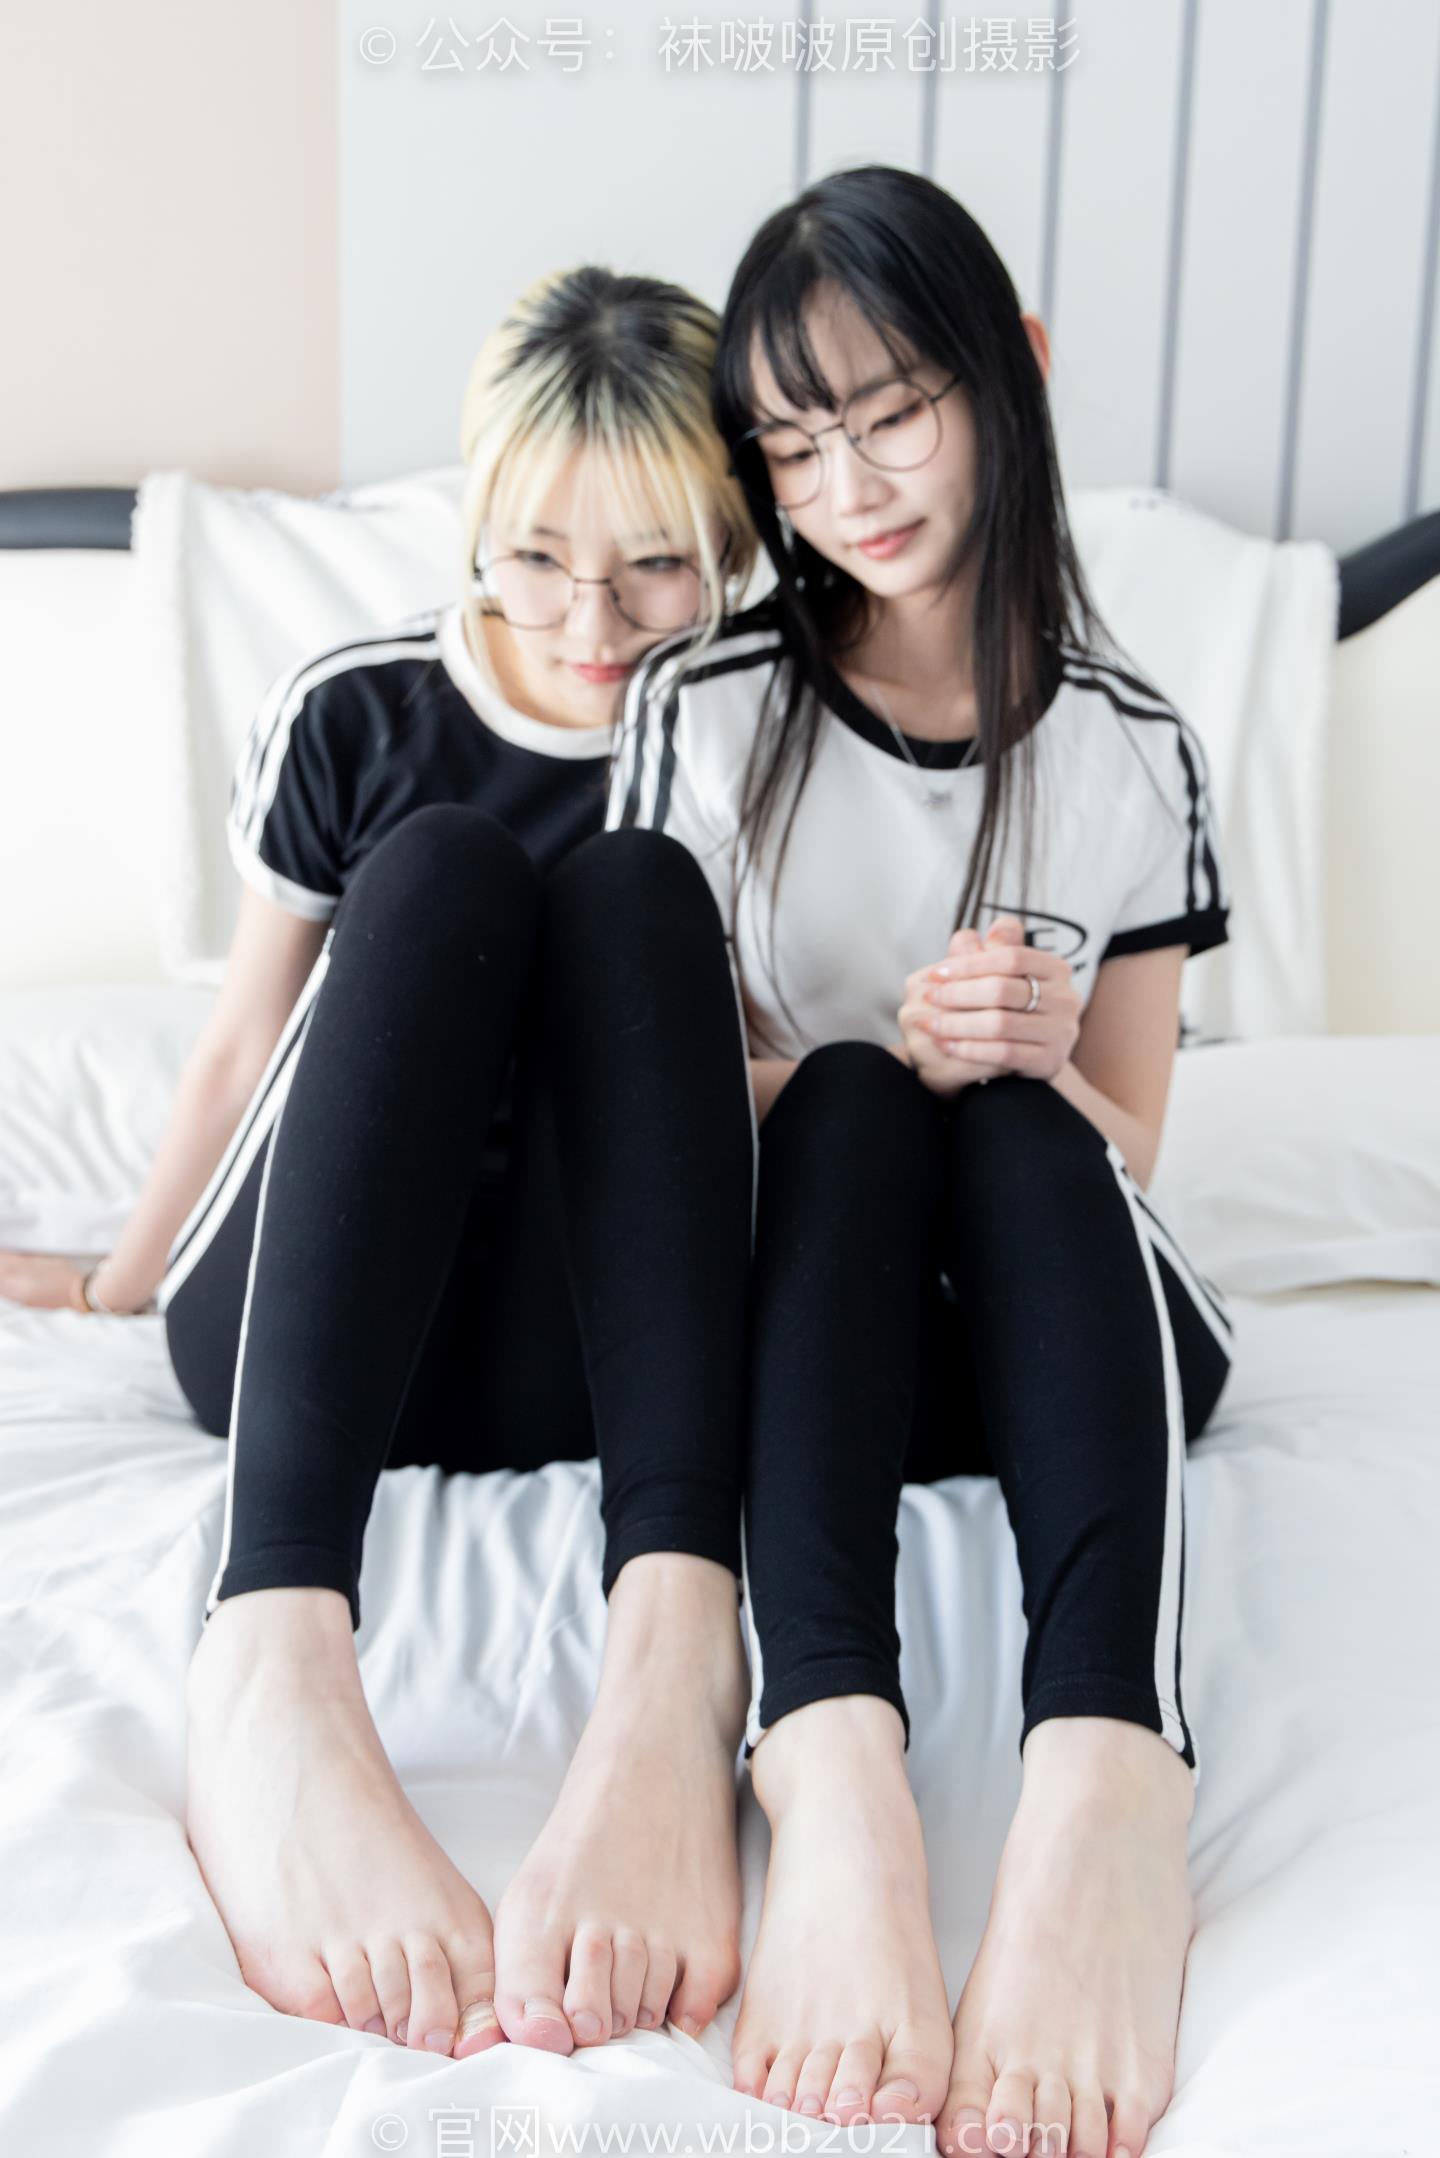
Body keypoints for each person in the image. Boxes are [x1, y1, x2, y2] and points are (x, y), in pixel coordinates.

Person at [0, 266, 766, 2065]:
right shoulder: (356, 708)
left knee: (631, 897)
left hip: (569, 1341)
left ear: (729, 546)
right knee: (439, 872)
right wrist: (116, 1276)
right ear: (476, 523)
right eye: (537, 559)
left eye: (657, 567)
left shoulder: (751, 728)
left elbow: (733, 1094)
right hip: (317, 1314)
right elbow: (239, 1047)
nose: (592, 621)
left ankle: (673, 1658)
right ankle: (275, 1645)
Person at [607, 165, 1234, 2158]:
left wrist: (1033, 1058)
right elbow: (654, 1120)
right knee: (869, 1103)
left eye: (890, 414)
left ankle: (1107, 1769)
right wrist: (867, 1061)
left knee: (1027, 1123)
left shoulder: (1135, 749)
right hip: (813, 1323)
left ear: (1010, 371)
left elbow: (1134, 1146)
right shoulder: (708, 709)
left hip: (1055, 1339)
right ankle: (835, 1760)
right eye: (794, 446)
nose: (847, 486)